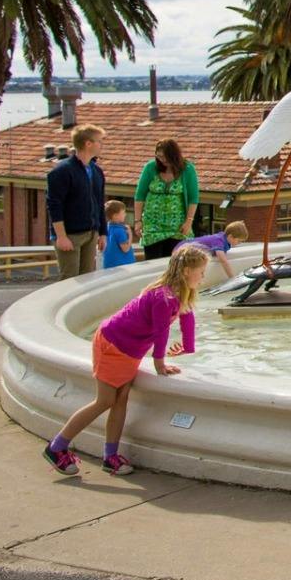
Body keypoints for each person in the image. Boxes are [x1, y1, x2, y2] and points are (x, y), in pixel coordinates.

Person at [42, 243, 208, 477]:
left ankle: (110, 457)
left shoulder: (180, 294)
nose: (203, 276)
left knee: (120, 400)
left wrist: (188, 348)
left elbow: (187, 319)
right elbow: (161, 331)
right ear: (185, 272)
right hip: (113, 344)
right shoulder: (163, 296)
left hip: (129, 350)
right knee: (105, 401)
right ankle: (56, 446)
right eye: (201, 271)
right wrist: (159, 364)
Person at [46, 124, 107, 279]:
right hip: (69, 235)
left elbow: (99, 203)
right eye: (99, 141)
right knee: (69, 280)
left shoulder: (96, 171)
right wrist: (61, 236)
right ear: (88, 143)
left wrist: (102, 233)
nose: (102, 145)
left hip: (90, 233)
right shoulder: (62, 171)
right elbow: (54, 205)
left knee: (87, 280)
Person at [134, 138, 199, 261]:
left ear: (173, 155)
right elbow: (140, 196)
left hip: (177, 226)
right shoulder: (150, 167)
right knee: (153, 263)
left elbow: (193, 198)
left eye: (165, 157)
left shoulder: (187, 169)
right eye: (159, 157)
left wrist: (189, 221)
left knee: (175, 263)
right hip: (152, 225)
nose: (162, 160)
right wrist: (138, 221)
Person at [176, 221, 249, 281]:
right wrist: (233, 278)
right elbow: (223, 260)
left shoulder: (224, 239)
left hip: (185, 246)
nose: (239, 243)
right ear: (230, 237)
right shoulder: (219, 240)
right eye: (239, 241)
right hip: (183, 248)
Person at [101, 200, 135, 269]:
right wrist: (130, 235)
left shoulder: (107, 227)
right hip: (122, 266)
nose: (125, 214)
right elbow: (125, 249)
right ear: (115, 216)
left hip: (109, 264)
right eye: (123, 213)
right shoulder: (119, 231)